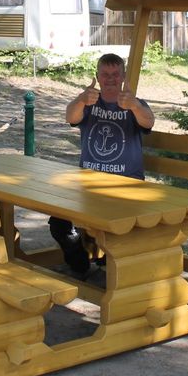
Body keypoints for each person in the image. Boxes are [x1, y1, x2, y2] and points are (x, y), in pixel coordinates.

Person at [51, 53, 155, 278]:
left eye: (115, 74)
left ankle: (112, 267)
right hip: (88, 185)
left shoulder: (134, 103)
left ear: (123, 77)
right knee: (58, 221)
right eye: (105, 74)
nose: (110, 79)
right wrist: (80, 100)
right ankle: (81, 265)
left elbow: (148, 121)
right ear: (97, 77)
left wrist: (134, 106)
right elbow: (70, 116)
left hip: (126, 186)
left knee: (117, 226)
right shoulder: (89, 102)